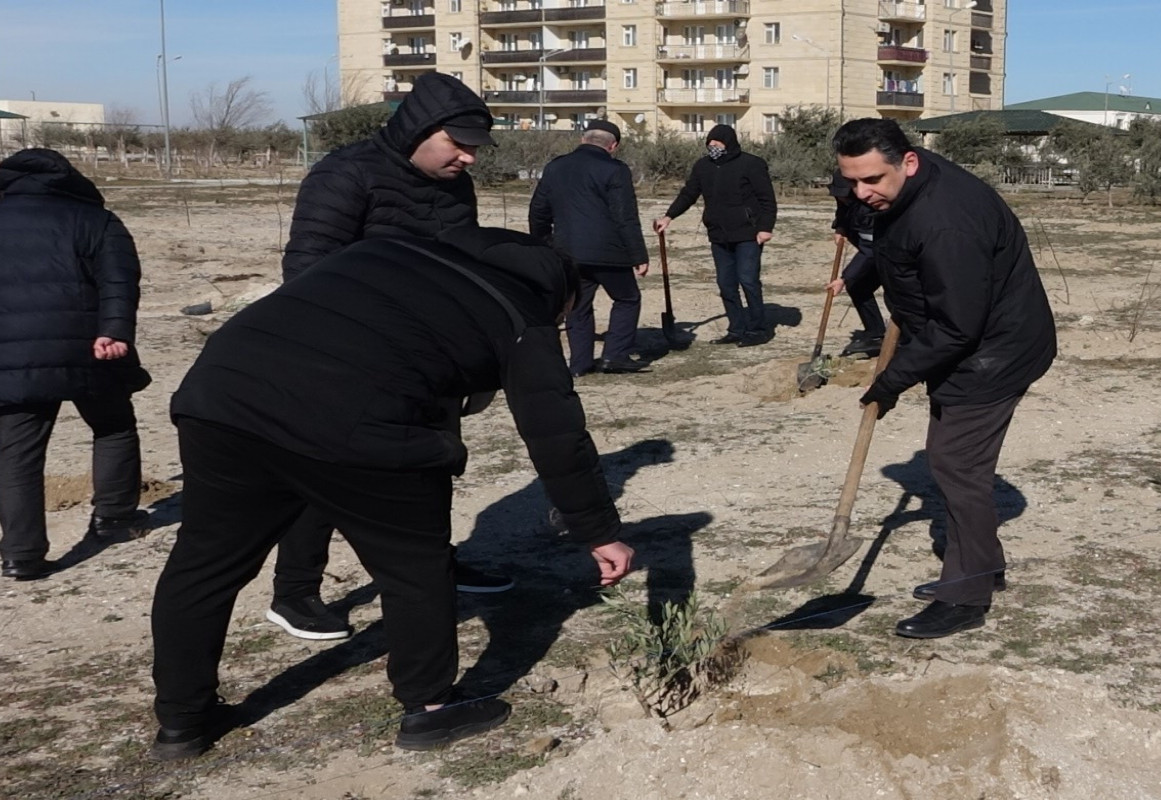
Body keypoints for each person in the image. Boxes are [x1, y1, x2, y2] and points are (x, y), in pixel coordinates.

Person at [149, 227, 634, 760]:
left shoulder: (384, 249)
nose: (560, 324)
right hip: (355, 419)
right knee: (415, 565)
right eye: (565, 314)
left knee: (205, 562)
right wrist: (597, 530)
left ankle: (181, 721)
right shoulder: (519, 310)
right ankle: (429, 709)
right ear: (556, 291)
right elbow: (553, 428)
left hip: (220, 394)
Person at [270, 72, 510, 642]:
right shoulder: (344, 176)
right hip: (346, 359)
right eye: (460, 143)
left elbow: (461, 268)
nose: (470, 158)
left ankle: (435, 564)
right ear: (421, 130)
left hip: (428, 360)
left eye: (476, 147)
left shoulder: (454, 186)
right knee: (329, 476)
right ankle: (295, 591)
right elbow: (306, 269)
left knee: (431, 465)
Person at [833, 118, 1056, 639]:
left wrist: (890, 381)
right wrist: (863, 276)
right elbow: (897, 249)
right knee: (956, 462)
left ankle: (966, 594)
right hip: (968, 341)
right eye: (852, 181)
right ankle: (984, 564)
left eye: (872, 181)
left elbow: (958, 327)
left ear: (907, 162)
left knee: (956, 464)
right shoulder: (908, 188)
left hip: (994, 352)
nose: (862, 193)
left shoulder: (946, 221)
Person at [0, 149, 149, 581]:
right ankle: (114, 518)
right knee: (113, 426)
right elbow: (119, 280)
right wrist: (115, 331)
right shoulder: (95, 219)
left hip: (11, 356)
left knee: (16, 451)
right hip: (91, 348)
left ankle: (21, 555)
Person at [528, 119, 650, 376]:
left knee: (577, 307)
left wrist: (545, 244)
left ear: (583, 139)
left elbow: (538, 210)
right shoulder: (616, 170)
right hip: (610, 253)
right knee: (627, 299)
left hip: (568, 252)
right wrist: (638, 254)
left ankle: (580, 364)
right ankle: (615, 356)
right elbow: (625, 216)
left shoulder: (555, 167)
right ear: (613, 146)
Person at [653, 124, 777, 347]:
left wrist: (765, 228)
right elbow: (689, 193)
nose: (713, 148)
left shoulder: (751, 164)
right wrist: (669, 216)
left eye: (718, 144)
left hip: (748, 233)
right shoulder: (703, 166)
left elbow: (767, 199)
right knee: (726, 284)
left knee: (748, 280)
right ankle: (737, 328)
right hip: (718, 234)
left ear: (729, 143)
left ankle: (759, 329)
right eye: (710, 145)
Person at [826, 170, 887, 358]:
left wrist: (844, 278)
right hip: (873, 252)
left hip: (889, 253)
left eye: (845, 194)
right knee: (858, 286)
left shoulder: (869, 208)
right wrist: (840, 227)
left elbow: (870, 249)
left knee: (898, 295)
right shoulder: (845, 199)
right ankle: (876, 333)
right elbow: (843, 211)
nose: (841, 198)